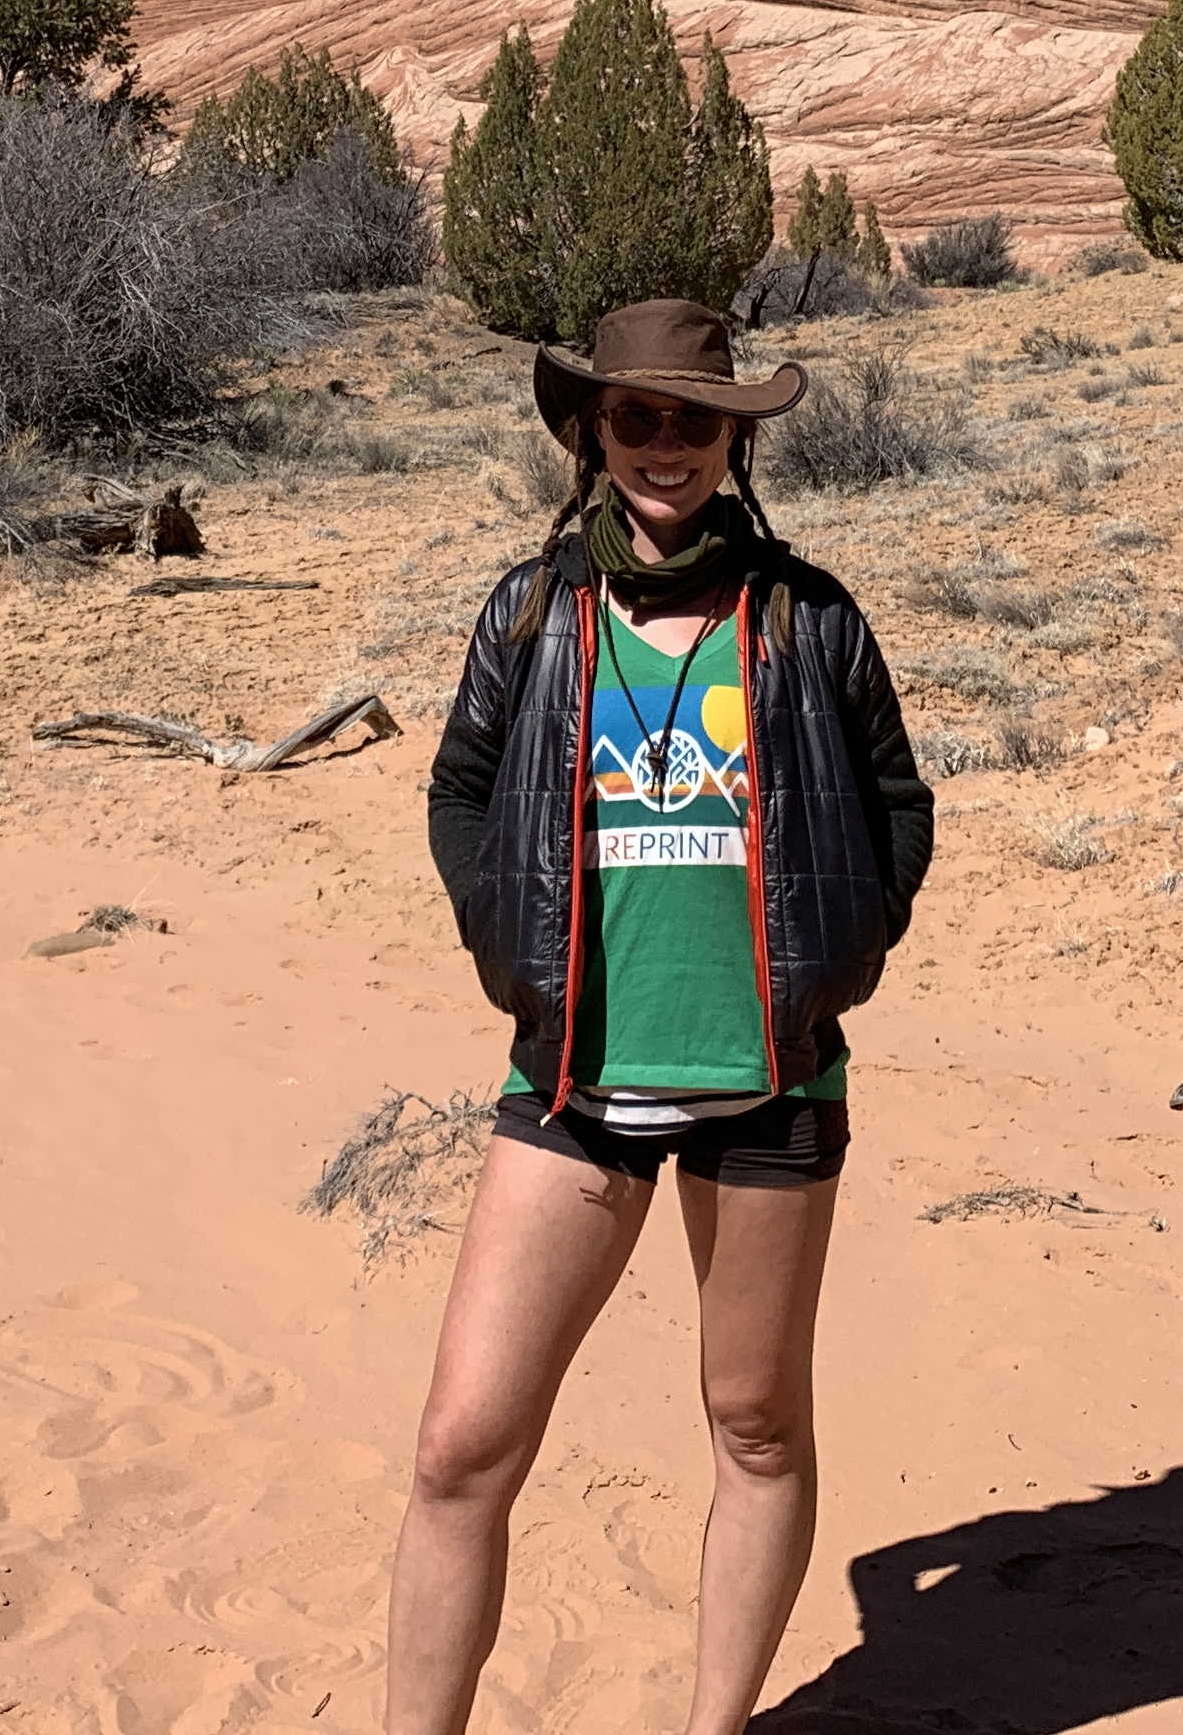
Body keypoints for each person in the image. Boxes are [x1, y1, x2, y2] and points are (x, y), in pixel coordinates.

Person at [386, 297, 934, 1734]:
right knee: (461, 1450)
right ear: (594, 432)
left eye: (698, 421)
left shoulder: (809, 618)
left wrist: (843, 955)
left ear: (734, 438)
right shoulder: (532, 610)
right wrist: (507, 943)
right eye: (641, 418)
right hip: (575, 1078)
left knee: (755, 1427)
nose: (669, 448)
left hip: (772, 1084)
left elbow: (895, 802)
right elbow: (458, 792)